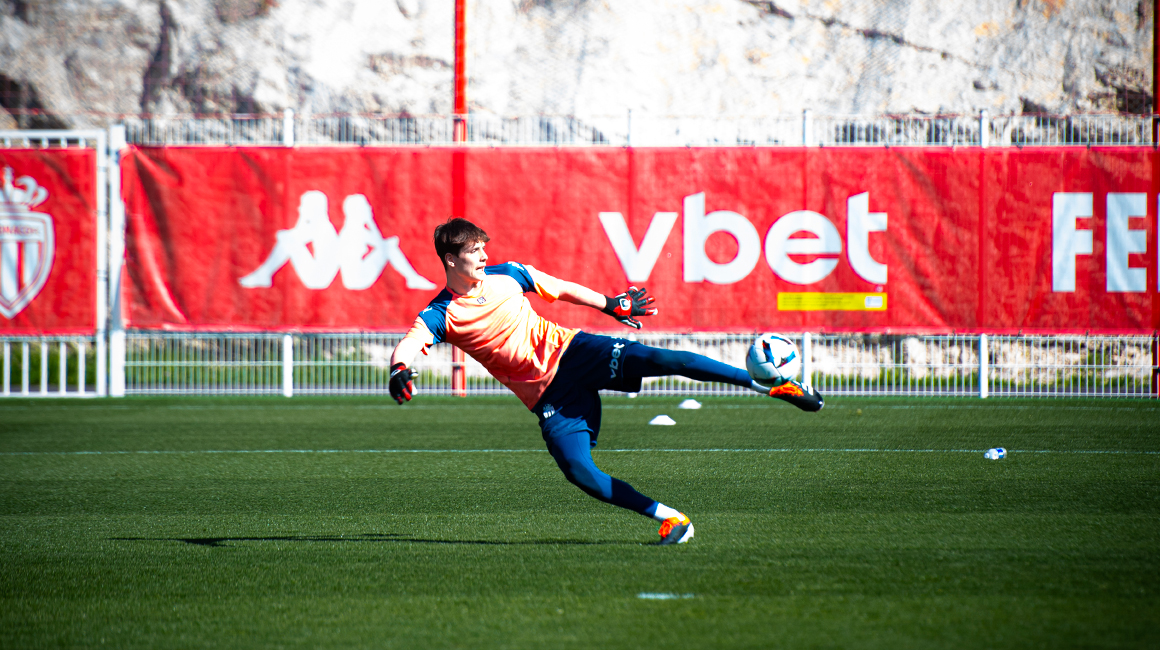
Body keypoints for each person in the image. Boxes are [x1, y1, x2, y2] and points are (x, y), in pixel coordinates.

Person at [389, 218, 823, 545]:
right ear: (451, 260)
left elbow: (560, 288)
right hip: (550, 396)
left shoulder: (508, 274)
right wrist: (399, 370)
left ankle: (770, 386)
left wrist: (610, 305)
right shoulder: (441, 313)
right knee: (579, 472)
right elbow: (409, 343)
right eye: (474, 251)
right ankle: (672, 518)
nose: (484, 256)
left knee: (665, 359)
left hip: (575, 353)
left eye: (485, 248)